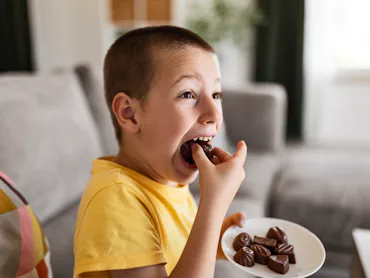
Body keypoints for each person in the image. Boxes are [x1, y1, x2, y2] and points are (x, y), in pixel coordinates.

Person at [73, 25, 247, 278]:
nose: (214, 114)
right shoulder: (116, 198)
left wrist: (217, 238)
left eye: (216, 93)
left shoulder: (166, 178)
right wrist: (214, 206)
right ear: (129, 113)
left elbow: (175, 251)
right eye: (188, 93)